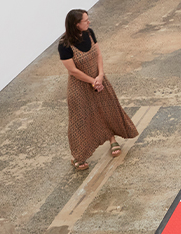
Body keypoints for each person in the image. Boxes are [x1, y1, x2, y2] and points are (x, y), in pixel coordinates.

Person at [58, 9, 138, 171]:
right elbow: (73, 70)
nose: (89, 23)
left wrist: (100, 76)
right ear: (76, 24)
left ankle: (112, 139)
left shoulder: (89, 33)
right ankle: (78, 156)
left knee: (107, 109)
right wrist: (92, 81)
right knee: (79, 121)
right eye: (86, 21)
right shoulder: (64, 44)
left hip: (98, 80)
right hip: (80, 86)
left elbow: (99, 55)